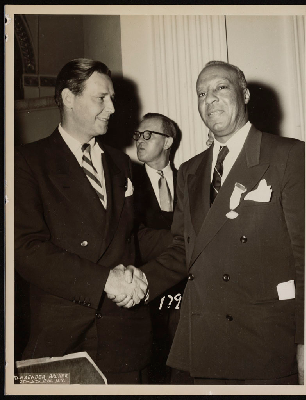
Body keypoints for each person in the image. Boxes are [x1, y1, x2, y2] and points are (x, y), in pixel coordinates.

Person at [117, 60, 305, 384]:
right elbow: (184, 248)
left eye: (221, 88)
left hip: (265, 343)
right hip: (205, 340)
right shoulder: (189, 171)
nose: (210, 99)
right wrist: (144, 281)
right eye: (201, 93)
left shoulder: (288, 156)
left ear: (244, 94)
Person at [14, 58, 169, 384]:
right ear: (68, 98)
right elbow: (26, 249)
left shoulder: (121, 163)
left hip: (125, 339)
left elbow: (129, 235)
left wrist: (191, 237)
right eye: (101, 98)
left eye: (112, 98)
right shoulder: (28, 162)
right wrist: (104, 281)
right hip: (65, 339)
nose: (112, 108)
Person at [131, 113, 188, 383]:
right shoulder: (126, 181)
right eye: (137, 135)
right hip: (145, 291)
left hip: (182, 293)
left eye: (147, 135)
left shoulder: (189, 181)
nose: (139, 141)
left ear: (167, 142)